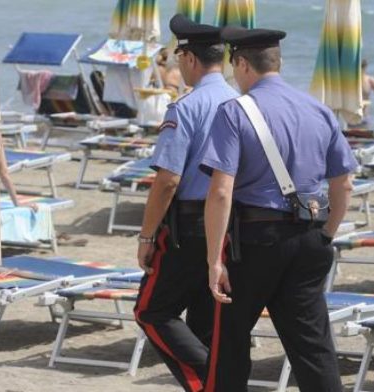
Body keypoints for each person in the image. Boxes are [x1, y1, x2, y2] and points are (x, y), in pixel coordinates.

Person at [200, 26, 358, 391]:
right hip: (309, 234)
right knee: (313, 346)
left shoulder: (235, 111)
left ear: (241, 64)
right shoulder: (319, 110)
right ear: (278, 62)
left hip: (256, 239)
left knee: (230, 343)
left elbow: (221, 192)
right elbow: (344, 184)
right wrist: (328, 234)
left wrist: (213, 261)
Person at [133, 14, 238, 392]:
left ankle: (217, 383)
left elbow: (167, 181)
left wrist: (146, 237)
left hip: (190, 224)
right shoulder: (241, 102)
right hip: (231, 224)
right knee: (205, 323)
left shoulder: (187, 106)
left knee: (151, 310)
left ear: (190, 58)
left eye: (179, 57)